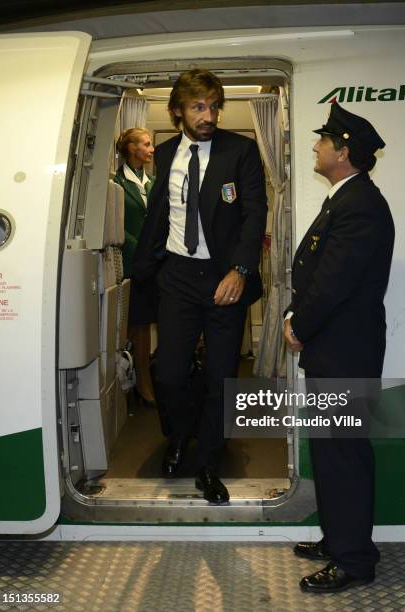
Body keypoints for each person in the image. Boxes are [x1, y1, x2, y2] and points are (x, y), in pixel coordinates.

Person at [133, 69, 267, 503]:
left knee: (220, 377)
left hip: (224, 278)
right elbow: (160, 214)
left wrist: (240, 271)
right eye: (198, 107)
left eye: (213, 106)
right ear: (177, 111)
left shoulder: (241, 152)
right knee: (169, 373)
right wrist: (144, 269)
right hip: (177, 276)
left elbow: (254, 215)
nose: (208, 115)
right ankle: (177, 437)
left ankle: (209, 461)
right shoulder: (167, 152)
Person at [283, 102, 394, 593]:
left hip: (344, 349)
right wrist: (294, 313)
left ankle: (354, 561)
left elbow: (332, 283)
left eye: (322, 140)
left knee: (343, 453)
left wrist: (298, 325)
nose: (315, 145)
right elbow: (313, 273)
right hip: (335, 347)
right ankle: (338, 539)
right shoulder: (344, 198)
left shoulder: (360, 205)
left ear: (343, 151)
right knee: (330, 451)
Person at [114, 128, 156, 406]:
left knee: (166, 321)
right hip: (134, 264)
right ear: (131, 148)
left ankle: (161, 376)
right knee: (139, 326)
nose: (152, 149)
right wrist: (142, 249)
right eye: (147, 144)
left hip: (159, 263)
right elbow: (118, 225)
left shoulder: (153, 182)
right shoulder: (116, 184)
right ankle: (142, 382)